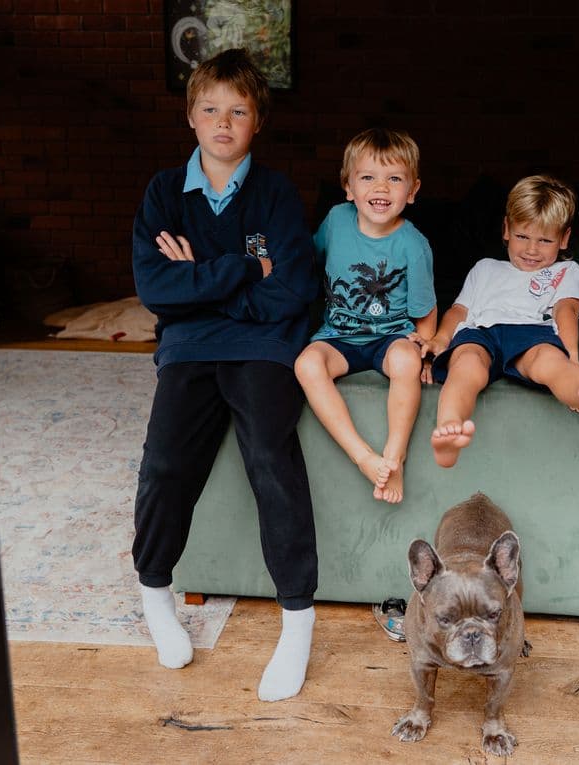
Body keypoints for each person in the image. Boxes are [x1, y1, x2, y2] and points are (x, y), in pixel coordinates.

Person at [130, 48, 319, 702]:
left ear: (257, 121)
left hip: (264, 347)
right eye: (210, 109)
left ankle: (297, 621)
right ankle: (155, 593)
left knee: (269, 454)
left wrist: (201, 284)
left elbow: (294, 289)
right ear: (190, 115)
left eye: (238, 111)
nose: (223, 122)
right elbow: (156, 289)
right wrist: (241, 269)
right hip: (188, 348)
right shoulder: (165, 193)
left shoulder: (275, 194)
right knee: (165, 462)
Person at [426, 174, 579, 468]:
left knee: (549, 362)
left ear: (564, 238)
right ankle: (450, 427)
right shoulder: (485, 268)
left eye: (545, 240)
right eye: (522, 237)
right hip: (480, 332)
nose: (531, 250)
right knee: (466, 365)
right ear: (506, 229)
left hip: (531, 332)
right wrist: (441, 339)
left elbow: (566, 312)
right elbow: (458, 311)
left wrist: (572, 360)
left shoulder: (567, 270)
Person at [293, 127, 436, 504]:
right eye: (368, 177)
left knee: (406, 359)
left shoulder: (414, 245)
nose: (381, 188)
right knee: (307, 364)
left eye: (395, 179)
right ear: (348, 186)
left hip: (390, 338)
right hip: (337, 337)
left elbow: (426, 308)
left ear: (413, 190)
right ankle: (363, 457)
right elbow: (309, 262)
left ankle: (395, 456)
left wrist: (426, 349)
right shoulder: (336, 221)